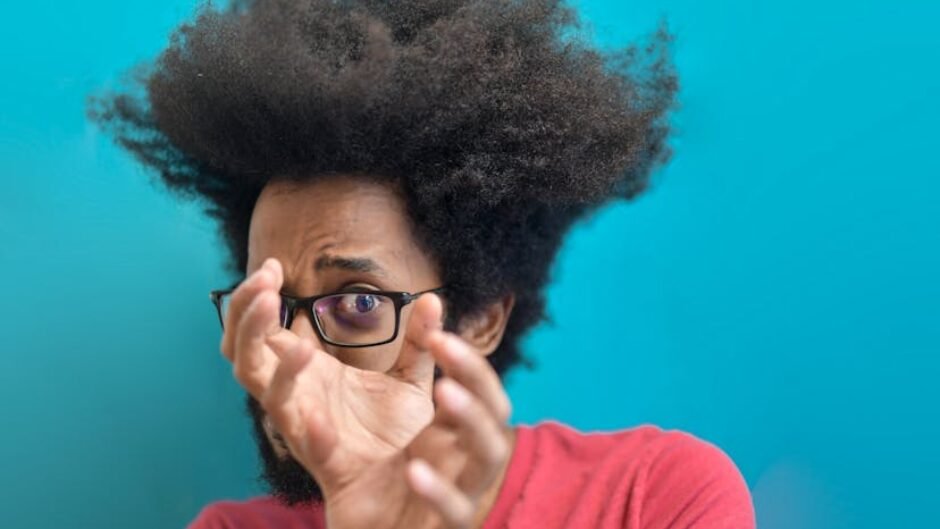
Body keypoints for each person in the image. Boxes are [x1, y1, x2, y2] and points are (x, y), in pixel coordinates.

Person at [88, 1, 755, 527]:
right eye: (266, 305)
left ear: (483, 319)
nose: (287, 351)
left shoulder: (655, 497)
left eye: (356, 302)